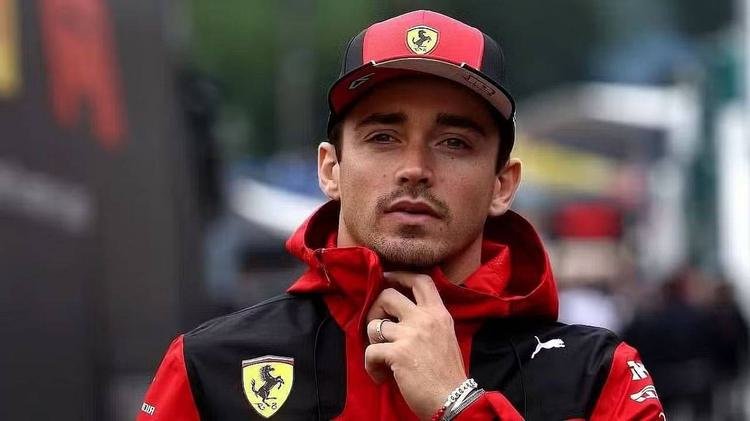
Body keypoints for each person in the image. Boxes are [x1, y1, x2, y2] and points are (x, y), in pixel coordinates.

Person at [138, 10, 665, 420]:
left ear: (502, 185)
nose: (415, 168)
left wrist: (458, 404)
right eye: (383, 137)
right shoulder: (210, 367)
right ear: (331, 169)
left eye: (454, 142)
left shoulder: (598, 377)